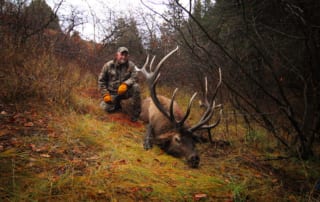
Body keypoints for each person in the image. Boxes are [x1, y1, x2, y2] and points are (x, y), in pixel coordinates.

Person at [98, 47, 141, 122]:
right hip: (113, 93)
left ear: (128, 56)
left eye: (125, 55)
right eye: (121, 54)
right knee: (104, 108)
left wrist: (126, 84)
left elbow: (135, 77)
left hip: (125, 92)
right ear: (117, 55)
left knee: (136, 87)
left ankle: (136, 114)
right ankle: (117, 105)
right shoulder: (108, 65)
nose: (123, 57)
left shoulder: (131, 65)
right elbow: (101, 82)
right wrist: (105, 94)